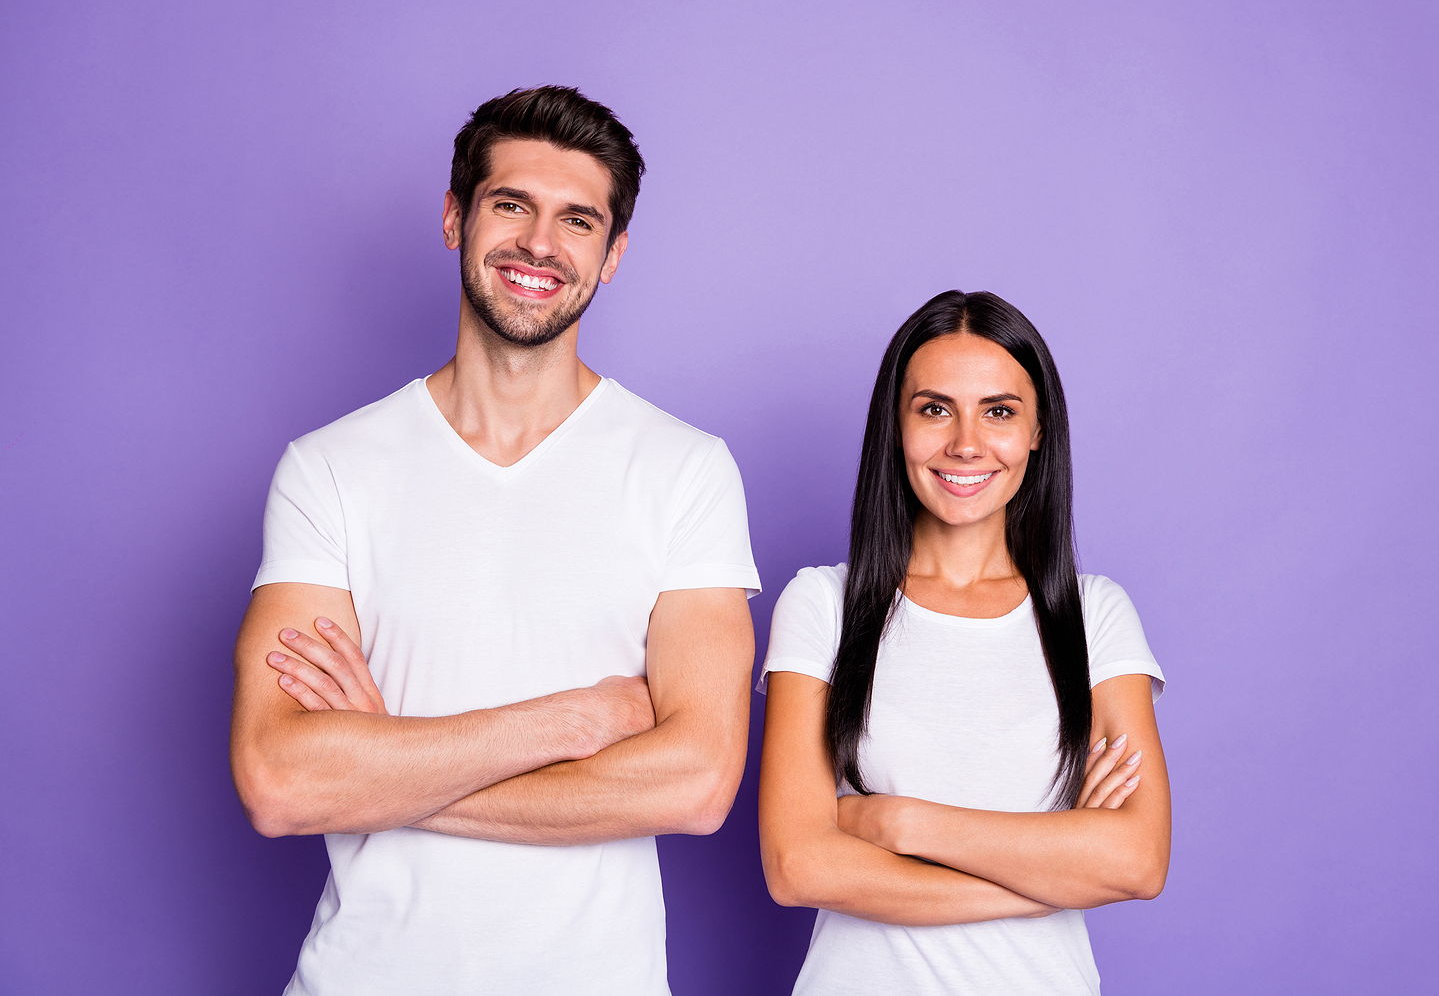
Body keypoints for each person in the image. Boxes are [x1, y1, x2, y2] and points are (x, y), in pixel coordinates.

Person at [229, 86, 761, 995]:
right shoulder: (329, 469)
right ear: (454, 217)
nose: (539, 245)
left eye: (577, 220)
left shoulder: (685, 470)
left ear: (613, 254)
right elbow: (280, 779)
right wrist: (576, 721)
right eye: (510, 204)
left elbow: (697, 783)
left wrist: (385, 763)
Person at [758, 290, 1169, 994]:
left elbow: (1136, 859)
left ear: (1038, 431)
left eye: (999, 411)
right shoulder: (824, 604)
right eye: (934, 408)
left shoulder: (1091, 616)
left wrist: (894, 819)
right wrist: (1052, 878)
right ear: (896, 424)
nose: (966, 443)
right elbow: (798, 866)